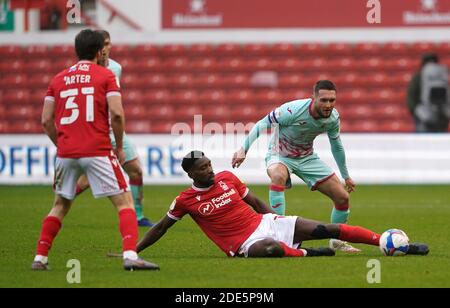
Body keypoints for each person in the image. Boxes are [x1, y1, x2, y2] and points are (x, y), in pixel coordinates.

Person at [135, 151, 429, 258]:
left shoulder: (227, 177)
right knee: (270, 250)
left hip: (264, 223)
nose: (210, 170)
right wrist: (133, 252)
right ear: (190, 174)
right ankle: (306, 254)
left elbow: (254, 200)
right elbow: (161, 228)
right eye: (202, 168)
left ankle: (387, 242)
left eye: (210, 165)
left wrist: (276, 219)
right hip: (242, 243)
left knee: (329, 228)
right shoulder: (186, 200)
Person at [32, 29, 159, 271]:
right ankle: (131, 256)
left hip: (66, 153)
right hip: (98, 149)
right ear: (100, 51)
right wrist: (119, 147)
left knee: (59, 205)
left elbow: (46, 121)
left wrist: (62, 144)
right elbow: (117, 114)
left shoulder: (57, 79)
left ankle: (40, 258)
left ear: (76, 51)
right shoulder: (105, 76)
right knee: (124, 203)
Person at [232, 80, 359, 253]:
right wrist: (243, 150)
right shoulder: (292, 110)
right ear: (313, 97)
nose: (328, 105)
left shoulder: (333, 118)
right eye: (323, 100)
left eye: (332, 100)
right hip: (279, 155)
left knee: (342, 197)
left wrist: (346, 176)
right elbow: (262, 123)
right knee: (278, 176)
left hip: (307, 158)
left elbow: (336, 146)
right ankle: (279, 234)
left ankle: (337, 241)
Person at [75, 30, 154, 227]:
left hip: (115, 129)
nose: (106, 49)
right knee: (87, 180)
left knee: (135, 171)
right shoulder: (85, 72)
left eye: (109, 43)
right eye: (103, 45)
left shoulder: (116, 68)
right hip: (96, 130)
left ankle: (138, 215)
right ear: (96, 49)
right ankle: (61, 200)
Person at [407, 53, 450, 133]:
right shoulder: (443, 75)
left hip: (424, 116)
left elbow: (411, 99)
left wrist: (417, 112)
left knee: (423, 144)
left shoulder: (418, 76)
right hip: (442, 117)